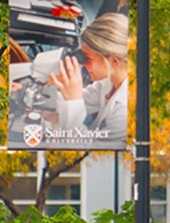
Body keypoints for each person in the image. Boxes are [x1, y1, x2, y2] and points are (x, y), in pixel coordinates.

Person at [47, 12, 129, 141]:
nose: (83, 64)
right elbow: (76, 101)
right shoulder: (107, 84)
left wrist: (72, 101)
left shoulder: (125, 111)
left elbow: (87, 150)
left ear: (114, 61)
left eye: (88, 58)